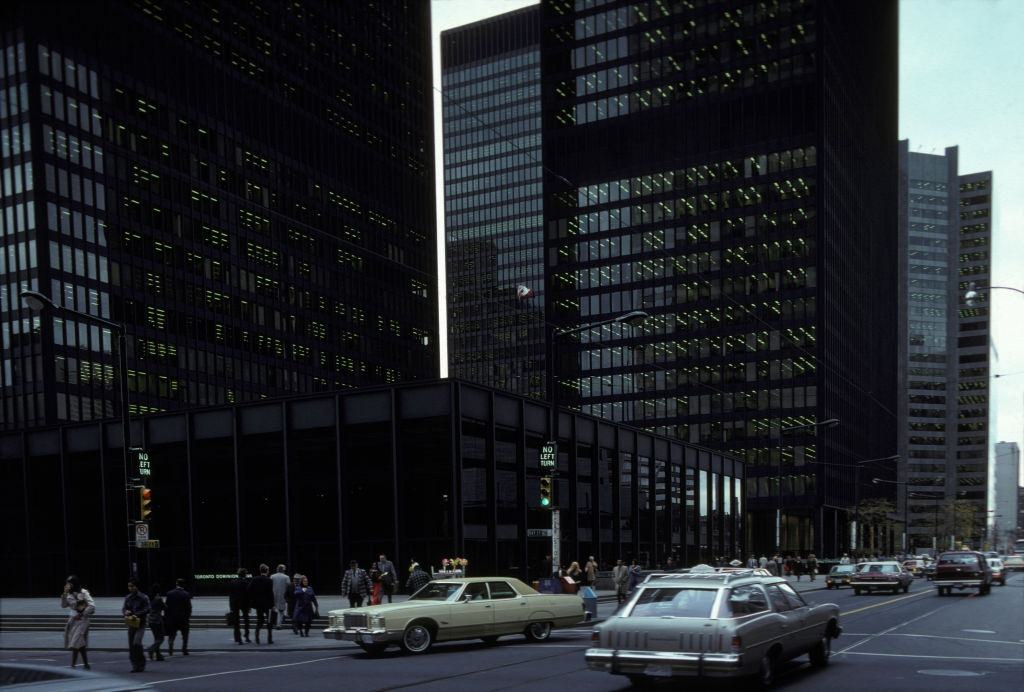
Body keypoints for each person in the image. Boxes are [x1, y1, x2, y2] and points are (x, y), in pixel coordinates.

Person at [61, 575, 94, 670]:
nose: (68, 585)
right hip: (73, 621)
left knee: (76, 641)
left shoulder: (84, 592)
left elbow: (92, 606)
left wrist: (82, 613)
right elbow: (63, 605)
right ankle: (86, 664)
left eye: (69, 583)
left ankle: (72, 665)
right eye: (67, 583)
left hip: (82, 620)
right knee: (80, 643)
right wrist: (64, 594)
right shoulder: (68, 595)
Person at [122, 578, 150, 673]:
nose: (130, 588)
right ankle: (135, 665)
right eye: (129, 586)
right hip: (131, 623)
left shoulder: (143, 597)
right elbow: (124, 608)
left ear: (136, 586)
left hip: (140, 623)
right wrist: (126, 612)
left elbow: (148, 609)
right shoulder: (128, 597)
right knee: (131, 646)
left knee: (137, 642)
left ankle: (141, 662)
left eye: (132, 586)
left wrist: (137, 614)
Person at [164, 578, 192, 656]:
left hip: (172, 618)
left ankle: (170, 649)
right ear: (183, 585)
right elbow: (189, 607)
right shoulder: (186, 594)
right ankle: (184, 649)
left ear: (176, 584)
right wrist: (188, 616)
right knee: (185, 634)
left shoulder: (169, 593)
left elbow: (167, 607)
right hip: (183, 618)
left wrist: (167, 617)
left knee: (171, 635)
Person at [248, 564, 275, 644]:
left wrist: (254, 598)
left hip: (258, 604)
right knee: (269, 621)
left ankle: (257, 637)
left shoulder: (255, 579)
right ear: (267, 571)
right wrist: (273, 604)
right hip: (267, 605)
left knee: (259, 620)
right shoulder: (269, 580)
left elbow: (249, 590)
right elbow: (271, 593)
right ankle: (269, 639)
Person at [229, 568, 251, 644]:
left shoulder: (233, 582)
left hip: (235, 603)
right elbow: (248, 595)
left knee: (236, 622)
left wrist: (231, 606)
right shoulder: (246, 582)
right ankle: (247, 636)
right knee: (246, 621)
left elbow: (231, 595)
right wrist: (249, 606)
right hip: (244, 603)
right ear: (245, 574)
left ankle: (238, 638)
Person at [146, 584, 166, 661]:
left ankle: (158, 655)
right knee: (161, 638)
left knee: (156, 638)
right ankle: (151, 649)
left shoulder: (149, 598)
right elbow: (165, 607)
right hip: (157, 620)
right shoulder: (158, 598)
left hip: (150, 620)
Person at [271, 564, 290, 630]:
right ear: (283, 570)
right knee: (281, 610)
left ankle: (273, 623)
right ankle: (279, 624)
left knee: (274, 609)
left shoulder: (272, 576)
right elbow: (288, 587)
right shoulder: (286, 577)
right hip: (283, 595)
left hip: (273, 595)